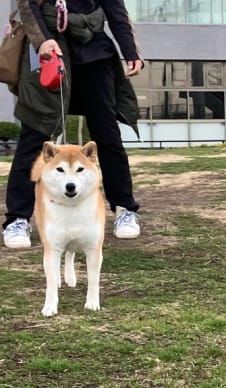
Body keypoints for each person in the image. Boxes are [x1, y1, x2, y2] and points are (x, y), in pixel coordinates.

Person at [2, 0, 144, 248]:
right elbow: (27, 6)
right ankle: (18, 219)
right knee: (35, 136)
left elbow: (116, 10)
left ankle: (125, 208)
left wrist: (130, 51)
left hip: (94, 54)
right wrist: (42, 40)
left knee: (107, 135)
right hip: (47, 54)